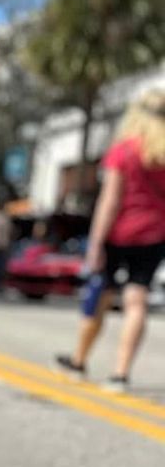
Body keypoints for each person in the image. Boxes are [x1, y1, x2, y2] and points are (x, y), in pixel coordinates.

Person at [57, 87, 165, 390]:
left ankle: (79, 361)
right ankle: (120, 373)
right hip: (156, 234)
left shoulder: (124, 151)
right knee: (137, 300)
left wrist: (94, 243)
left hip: (120, 233)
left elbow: (110, 201)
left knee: (101, 294)